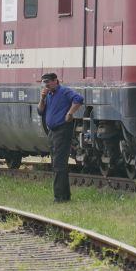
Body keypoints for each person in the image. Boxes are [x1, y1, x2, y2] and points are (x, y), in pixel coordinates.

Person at [37, 72, 83, 202]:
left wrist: (70, 112)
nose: (46, 85)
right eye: (44, 83)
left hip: (62, 130)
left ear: (55, 80)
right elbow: (40, 111)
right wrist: (42, 98)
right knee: (57, 163)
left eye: (48, 82)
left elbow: (78, 99)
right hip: (52, 132)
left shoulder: (64, 91)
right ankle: (65, 195)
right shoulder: (48, 95)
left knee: (58, 164)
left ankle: (59, 197)